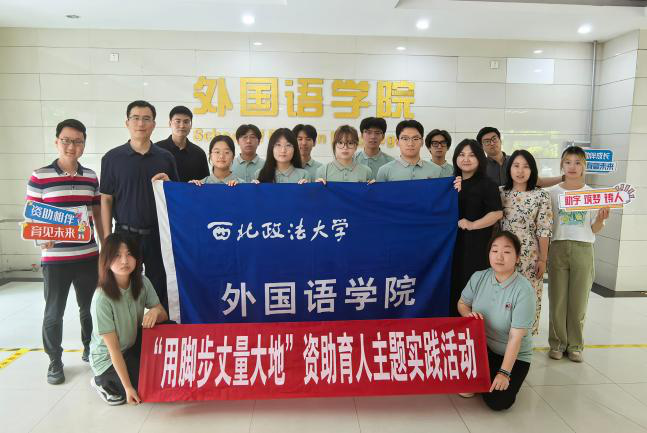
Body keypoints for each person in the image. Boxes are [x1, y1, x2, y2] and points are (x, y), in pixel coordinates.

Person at [26, 119, 103, 385]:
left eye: (78, 141)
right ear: (56, 141)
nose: (72, 146)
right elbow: (32, 216)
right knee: (53, 312)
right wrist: (41, 239)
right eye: (67, 141)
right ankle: (54, 361)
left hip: (88, 256)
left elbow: (97, 213)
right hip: (55, 259)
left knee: (90, 309)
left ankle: (89, 348)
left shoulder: (90, 176)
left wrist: (104, 245)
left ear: (84, 144)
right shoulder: (40, 176)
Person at [100, 100, 179, 310]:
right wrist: (107, 238)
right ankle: (128, 328)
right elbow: (106, 199)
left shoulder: (166, 158)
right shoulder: (112, 158)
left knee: (159, 284)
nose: (141, 123)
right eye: (135, 118)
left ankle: (159, 326)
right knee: (124, 286)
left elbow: (175, 196)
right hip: (125, 234)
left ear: (154, 124)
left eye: (146, 119)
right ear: (127, 122)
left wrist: (169, 184)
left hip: (158, 235)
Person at [458, 231, 536, 411]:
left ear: (517, 257)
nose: (499, 256)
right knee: (462, 387)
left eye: (507, 252)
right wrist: (468, 315)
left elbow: (515, 338)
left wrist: (504, 372)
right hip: (482, 347)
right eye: (494, 251)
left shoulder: (524, 290)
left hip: (514, 354)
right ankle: (485, 376)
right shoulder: (479, 277)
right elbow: (462, 303)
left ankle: (498, 375)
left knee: (498, 402)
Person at [89, 233, 168, 406]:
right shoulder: (102, 298)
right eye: (117, 255)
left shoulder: (142, 282)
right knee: (144, 385)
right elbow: (114, 350)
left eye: (129, 254)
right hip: (108, 359)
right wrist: (128, 388)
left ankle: (131, 372)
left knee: (169, 327)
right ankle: (101, 382)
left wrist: (155, 312)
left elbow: (164, 315)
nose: (124, 261)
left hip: (131, 346)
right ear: (106, 260)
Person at [547, 146, 609, 363]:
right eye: (568, 162)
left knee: (579, 300)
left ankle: (575, 345)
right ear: (561, 165)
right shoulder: (552, 193)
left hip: (583, 248)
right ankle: (557, 344)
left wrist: (600, 219)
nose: (572, 167)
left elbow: (595, 229)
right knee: (557, 299)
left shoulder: (592, 194)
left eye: (577, 162)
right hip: (558, 247)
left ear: (584, 166)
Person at [500, 150, 553, 335]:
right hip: (503, 254)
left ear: (532, 170)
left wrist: (543, 259)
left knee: (528, 295)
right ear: (509, 169)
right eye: (516, 166)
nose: (520, 171)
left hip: (530, 255)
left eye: (526, 166)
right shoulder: (501, 192)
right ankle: (502, 338)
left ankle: (524, 339)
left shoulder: (541, 196)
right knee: (504, 295)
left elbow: (544, 229)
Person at [450, 139, 503, 316]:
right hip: (452, 246)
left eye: (472, 155)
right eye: (461, 154)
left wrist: (472, 225)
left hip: (476, 246)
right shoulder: (451, 183)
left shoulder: (487, 184)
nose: (466, 159)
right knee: (453, 286)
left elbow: (496, 213)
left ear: (480, 158)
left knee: (472, 289)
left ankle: (473, 329)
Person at [154, 105, 209, 183]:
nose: (182, 126)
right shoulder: (157, 149)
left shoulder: (199, 153)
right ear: (170, 123)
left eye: (186, 122)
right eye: (178, 121)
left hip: (190, 191)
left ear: (191, 125)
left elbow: (205, 183)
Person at [376, 120, 442, 181]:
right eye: (405, 138)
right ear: (397, 142)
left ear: (422, 142)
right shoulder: (385, 171)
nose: (410, 143)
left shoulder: (436, 170)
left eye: (415, 139)